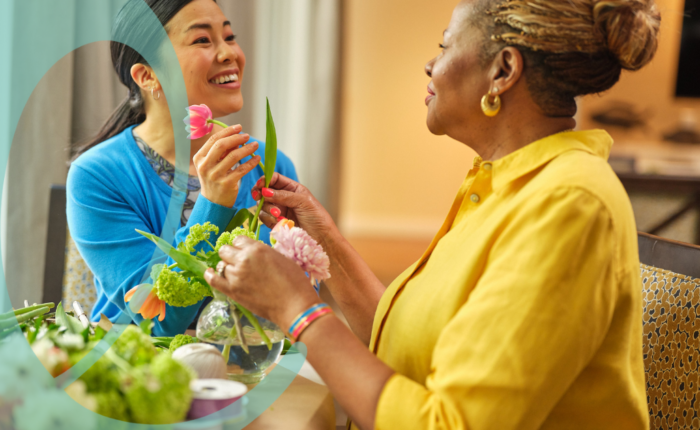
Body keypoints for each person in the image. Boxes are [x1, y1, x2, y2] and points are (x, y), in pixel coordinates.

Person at [204, 0, 661, 428]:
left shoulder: (570, 204)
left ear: (502, 70)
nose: (430, 64)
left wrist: (296, 308)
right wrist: (323, 240)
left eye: (444, 46)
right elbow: (407, 345)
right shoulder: (499, 183)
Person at [66, 0, 297, 336]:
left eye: (229, 37)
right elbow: (156, 323)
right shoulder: (97, 177)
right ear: (147, 76)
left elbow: (295, 299)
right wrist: (214, 202)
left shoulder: (270, 164)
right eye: (202, 40)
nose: (229, 53)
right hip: (142, 374)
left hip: (253, 369)